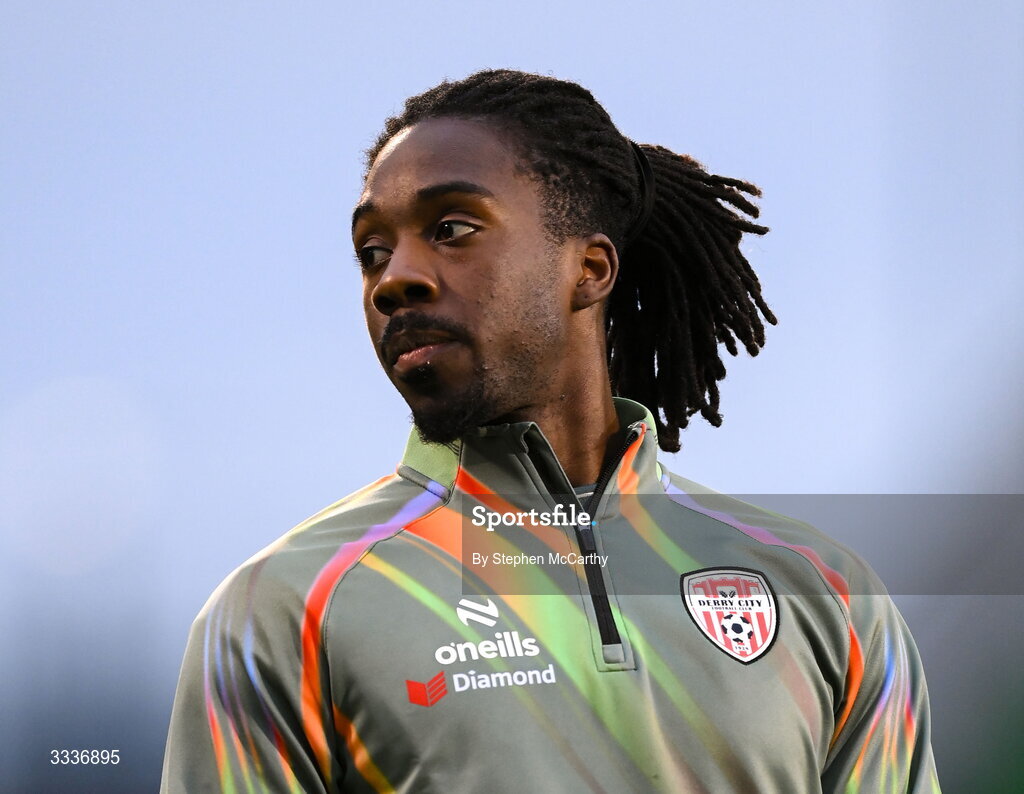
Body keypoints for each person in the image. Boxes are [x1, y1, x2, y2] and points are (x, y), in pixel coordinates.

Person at [161, 69, 940, 793]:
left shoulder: (825, 595)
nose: (394, 277)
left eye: (453, 227)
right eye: (372, 250)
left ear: (591, 270)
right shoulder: (285, 611)